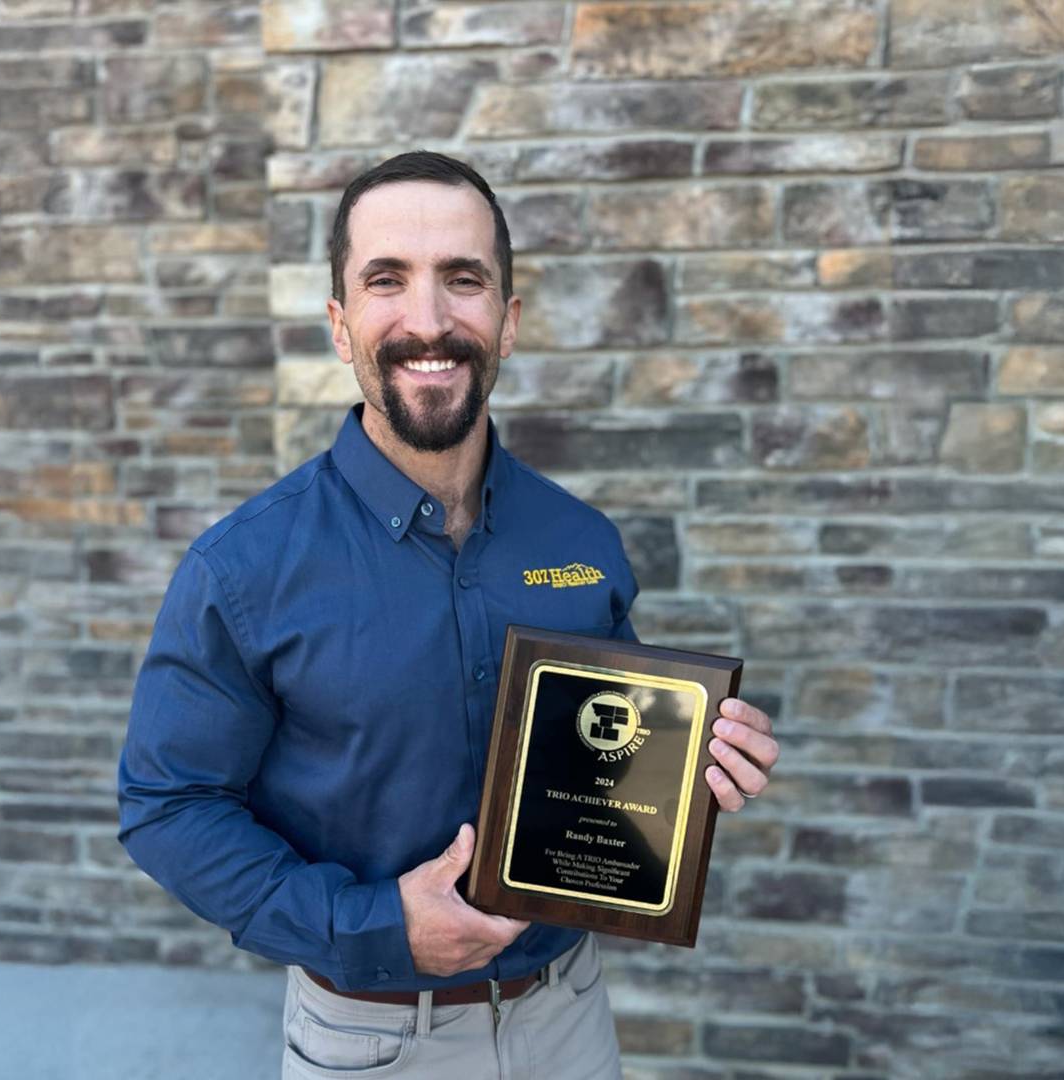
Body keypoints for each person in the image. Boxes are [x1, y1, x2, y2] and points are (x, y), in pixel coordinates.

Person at [118, 151, 781, 1079]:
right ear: (341, 326)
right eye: (387, 281)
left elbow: (610, 756)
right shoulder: (244, 567)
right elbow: (168, 805)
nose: (427, 320)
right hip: (372, 1041)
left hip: (571, 1022)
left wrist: (699, 773)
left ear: (506, 322)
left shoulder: (581, 539)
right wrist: (373, 927)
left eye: (462, 280)